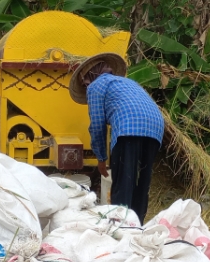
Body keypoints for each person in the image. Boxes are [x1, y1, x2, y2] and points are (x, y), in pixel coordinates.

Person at [71, 53, 165, 225]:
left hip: (129, 127)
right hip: (156, 127)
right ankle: (138, 226)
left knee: (123, 182)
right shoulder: (128, 83)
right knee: (142, 185)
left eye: (85, 81)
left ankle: (119, 227)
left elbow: (97, 125)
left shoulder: (96, 86)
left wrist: (101, 158)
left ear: (90, 76)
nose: (85, 85)